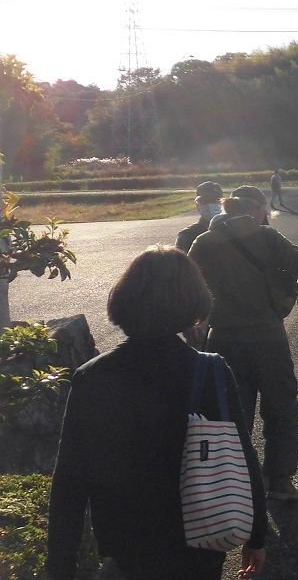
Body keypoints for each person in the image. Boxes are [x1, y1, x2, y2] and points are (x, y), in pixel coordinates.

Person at [47, 247, 267, 580]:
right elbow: (242, 457)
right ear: (193, 303)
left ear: (124, 300)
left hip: (127, 542)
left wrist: (60, 566)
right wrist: (257, 534)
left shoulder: (93, 376)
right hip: (200, 537)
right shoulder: (211, 371)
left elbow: (70, 479)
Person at [188, 186, 298, 502]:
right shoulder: (267, 238)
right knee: (281, 407)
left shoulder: (203, 242)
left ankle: (236, 481)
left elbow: (187, 284)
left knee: (231, 411)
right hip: (268, 337)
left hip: (223, 339)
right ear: (253, 211)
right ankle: (279, 481)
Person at [175, 181, 223, 254]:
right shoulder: (187, 235)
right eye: (205, 201)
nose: (210, 205)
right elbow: (180, 263)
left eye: (215, 201)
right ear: (197, 206)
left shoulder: (233, 229)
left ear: (222, 203)